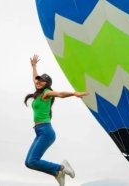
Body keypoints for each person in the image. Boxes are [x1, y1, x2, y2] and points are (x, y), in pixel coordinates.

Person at [24, 55, 89, 186]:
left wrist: (74, 94)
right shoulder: (38, 93)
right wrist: (34, 67)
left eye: (42, 81)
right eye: (38, 80)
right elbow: (34, 79)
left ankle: (61, 168)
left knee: (32, 161)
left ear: (47, 84)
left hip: (46, 132)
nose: (38, 82)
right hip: (39, 132)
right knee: (28, 163)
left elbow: (59, 94)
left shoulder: (46, 93)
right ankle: (56, 173)